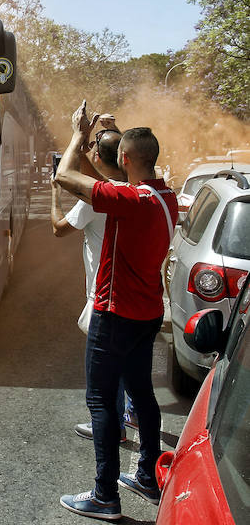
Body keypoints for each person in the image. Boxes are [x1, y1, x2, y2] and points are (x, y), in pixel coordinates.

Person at [56, 102, 177, 520]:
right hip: (146, 314)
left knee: (100, 402)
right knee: (142, 393)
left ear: (126, 160)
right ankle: (146, 474)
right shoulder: (164, 196)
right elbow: (111, 174)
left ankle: (104, 494)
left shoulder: (131, 202)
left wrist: (77, 134)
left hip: (115, 314)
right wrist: (111, 141)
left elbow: (65, 176)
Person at [50, 124, 138, 442]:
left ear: (98, 157)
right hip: (135, 291)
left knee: (103, 373)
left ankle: (113, 431)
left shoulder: (96, 199)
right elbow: (97, 171)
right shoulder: (134, 189)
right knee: (129, 359)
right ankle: (134, 415)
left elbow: (59, 228)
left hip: (105, 294)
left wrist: (53, 194)